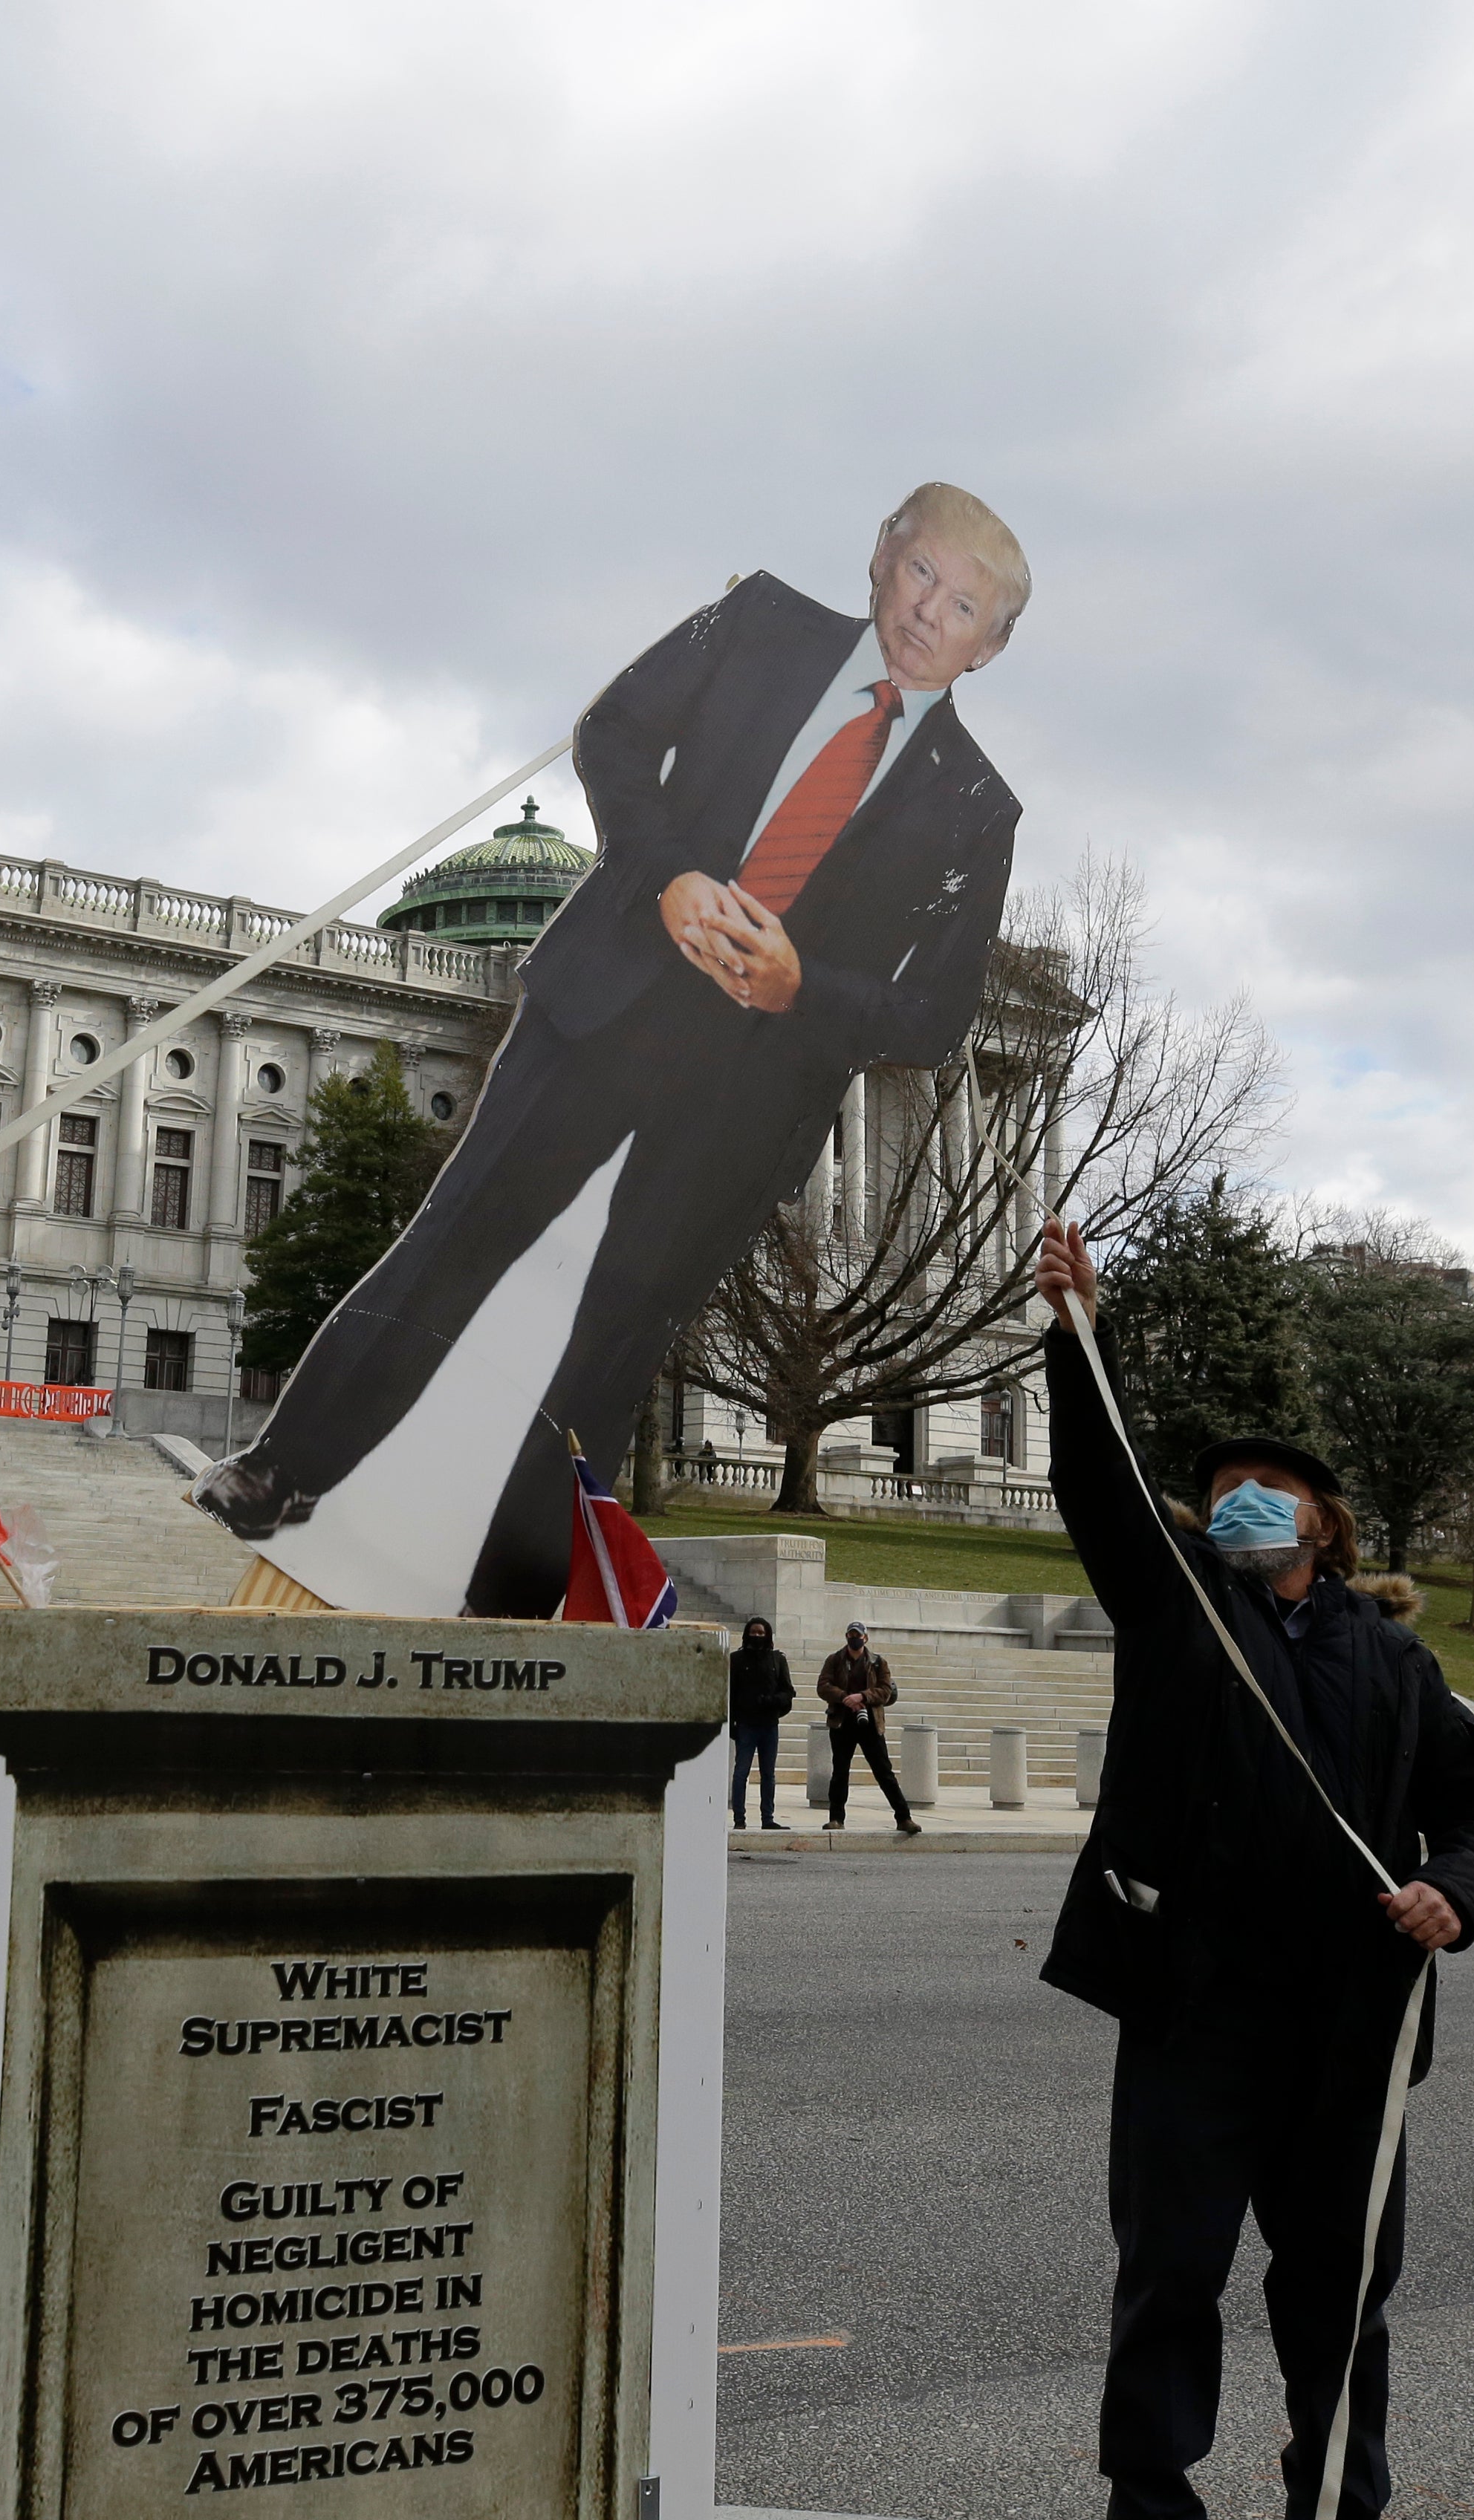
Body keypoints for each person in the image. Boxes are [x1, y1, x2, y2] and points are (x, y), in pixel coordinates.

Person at [197, 485, 1031, 1617]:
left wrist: (803, 988)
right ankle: (284, 1466)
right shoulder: (760, 621)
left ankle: (513, 1583)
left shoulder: (978, 805)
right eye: (923, 572)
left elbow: (932, 1015)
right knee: (458, 1234)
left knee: (616, 1331)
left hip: (750, 1089)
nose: (931, 610)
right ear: (881, 557)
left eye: (966, 603)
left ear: (989, 646)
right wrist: (668, 871)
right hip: (611, 998)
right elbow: (617, 732)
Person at [1033, 1221, 1474, 2520]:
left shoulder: (1398, 1660)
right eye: (1228, 1483)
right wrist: (1081, 1336)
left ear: (1324, 1519)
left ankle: (1338, 2494)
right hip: (1197, 2006)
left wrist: (1457, 1892)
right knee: (1170, 2270)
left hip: (1353, 2022)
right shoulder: (1181, 1599)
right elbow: (1103, 1483)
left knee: (1344, 2285)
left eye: (1271, 1483)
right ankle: (1151, 2494)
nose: (1245, 1494)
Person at [816, 1621, 920, 1834]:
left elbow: (885, 1690)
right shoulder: (835, 1660)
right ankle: (836, 1818)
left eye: (858, 1635)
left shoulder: (878, 1662)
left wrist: (863, 1697)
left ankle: (904, 1817)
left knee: (884, 1772)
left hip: (871, 1722)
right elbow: (823, 1686)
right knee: (840, 1772)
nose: (855, 1638)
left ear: (866, 1638)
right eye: (851, 1634)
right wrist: (845, 1698)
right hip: (842, 1721)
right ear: (846, 1637)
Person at [727, 1615, 795, 1829]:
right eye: (753, 1632)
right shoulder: (736, 1660)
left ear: (768, 1636)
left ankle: (768, 1818)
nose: (757, 1636)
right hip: (746, 1724)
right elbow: (730, 1693)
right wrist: (732, 1724)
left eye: (761, 1633)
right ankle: (739, 1819)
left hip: (769, 1725)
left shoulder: (777, 1659)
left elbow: (788, 1691)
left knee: (768, 1774)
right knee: (741, 1773)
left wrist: (773, 1702)